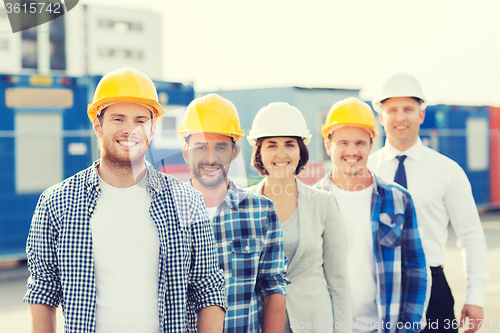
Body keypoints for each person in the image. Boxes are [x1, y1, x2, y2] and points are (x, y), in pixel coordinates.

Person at [23, 67, 226, 333]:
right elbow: (43, 289)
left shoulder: (187, 201)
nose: (130, 130)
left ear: (152, 130)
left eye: (140, 120)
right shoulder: (57, 202)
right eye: (118, 119)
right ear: (98, 125)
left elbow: (208, 288)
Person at [369, 73, 489, 333]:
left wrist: (475, 295)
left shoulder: (447, 170)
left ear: (421, 115)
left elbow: (470, 235)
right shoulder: (366, 170)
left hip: (433, 290)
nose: (400, 117)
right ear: (381, 117)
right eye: (392, 110)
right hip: (377, 288)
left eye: (408, 109)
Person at [178, 94, 289, 333]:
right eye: (201, 147)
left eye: (220, 147)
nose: (211, 158)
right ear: (186, 152)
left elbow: (274, 288)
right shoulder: (166, 212)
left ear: (234, 152)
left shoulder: (262, 212)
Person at [316, 97, 428, 333]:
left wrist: (409, 328)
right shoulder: (310, 202)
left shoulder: (398, 199)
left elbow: (416, 270)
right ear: (328, 145)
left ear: (371, 144)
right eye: (343, 142)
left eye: (360, 142)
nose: (352, 151)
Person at [246, 102, 352, 333]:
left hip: (314, 322)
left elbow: (339, 282)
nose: (281, 154)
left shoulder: (323, 203)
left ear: (301, 151)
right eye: (271, 145)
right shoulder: (241, 205)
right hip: (258, 323)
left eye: (290, 145)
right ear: (259, 152)